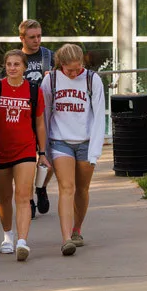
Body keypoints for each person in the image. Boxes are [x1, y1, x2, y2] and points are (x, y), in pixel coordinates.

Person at [0, 50, 51, 262]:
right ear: (5, 66)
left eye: (17, 64)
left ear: (25, 67)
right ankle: (7, 236)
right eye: (9, 64)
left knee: (23, 195)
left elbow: (39, 124)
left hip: (25, 149)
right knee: (4, 197)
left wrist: (42, 152)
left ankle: (22, 241)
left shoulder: (33, 90)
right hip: (0, 150)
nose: (12, 68)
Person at [40, 43, 106, 256]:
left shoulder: (92, 79)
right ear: (61, 65)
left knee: (82, 189)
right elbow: (44, 114)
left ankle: (77, 229)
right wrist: (44, 148)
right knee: (66, 188)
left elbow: (99, 116)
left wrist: (95, 150)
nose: (74, 73)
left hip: (86, 142)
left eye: (78, 68)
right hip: (60, 140)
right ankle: (66, 238)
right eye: (70, 70)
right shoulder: (50, 80)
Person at [0, 19, 55, 218]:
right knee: (26, 161)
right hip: (21, 114)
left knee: (49, 158)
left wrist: (53, 77)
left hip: (44, 113)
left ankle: (41, 187)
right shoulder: (16, 58)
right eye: (32, 37)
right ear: (22, 38)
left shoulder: (48, 56)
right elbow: (2, 83)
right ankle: (28, 198)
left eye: (39, 36)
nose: (37, 40)